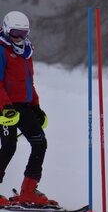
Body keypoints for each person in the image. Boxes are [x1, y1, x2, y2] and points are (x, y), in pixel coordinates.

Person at [0, 11, 57, 207]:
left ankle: (28, 191)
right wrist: (5, 106)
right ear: (7, 30)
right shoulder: (1, 49)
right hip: (4, 108)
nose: (19, 37)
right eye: (15, 32)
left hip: (22, 107)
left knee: (40, 143)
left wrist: (35, 106)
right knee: (9, 147)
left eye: (23, 33)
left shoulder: (26, 51)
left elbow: (28, 82)